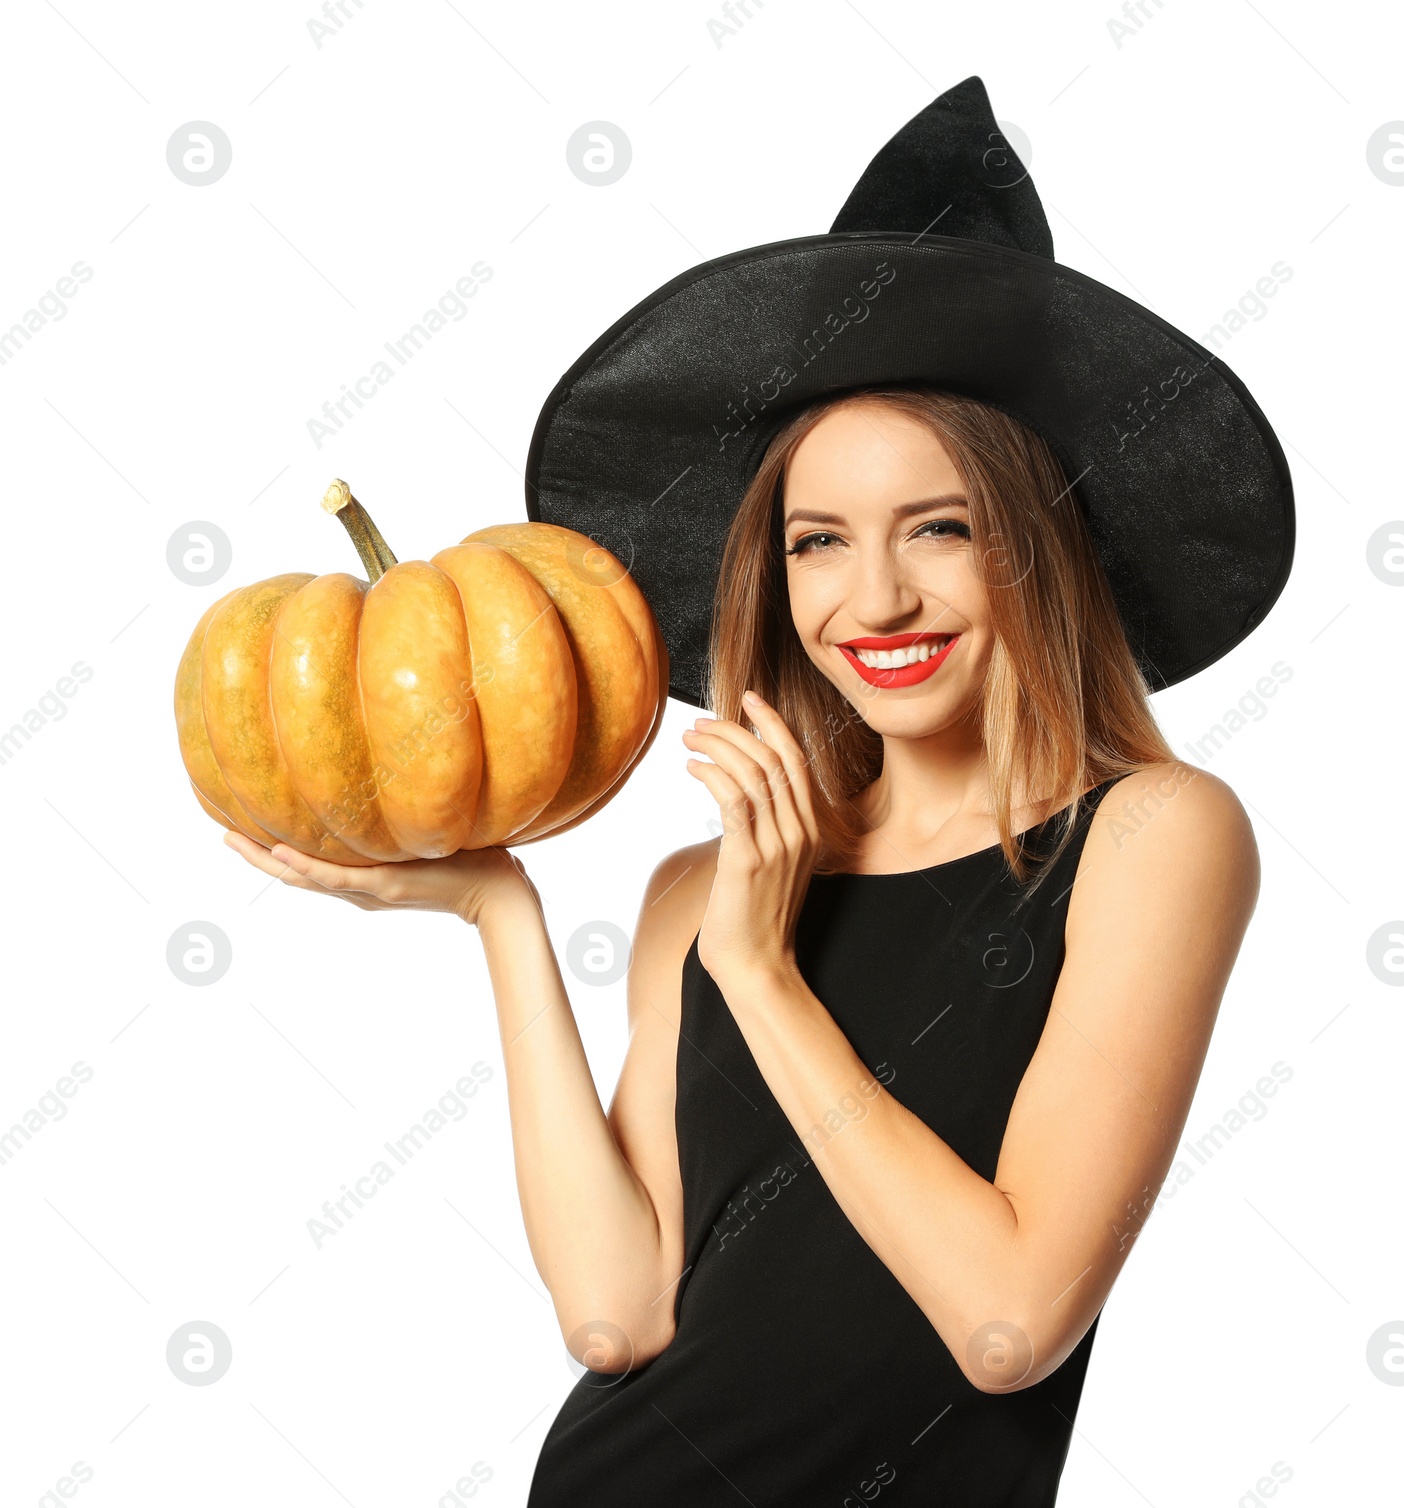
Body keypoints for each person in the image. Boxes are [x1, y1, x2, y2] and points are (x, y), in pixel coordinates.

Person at [226, 76, 1293, 1506]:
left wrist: (765, 976)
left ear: (1037, 547)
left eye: (941, 528)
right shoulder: (704, 885)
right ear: (770, 581)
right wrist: (503, 919)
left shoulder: (1157, 834)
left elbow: (1008, 1325)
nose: (875, 597)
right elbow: (618, 1316)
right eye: (815, 544)